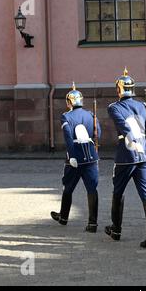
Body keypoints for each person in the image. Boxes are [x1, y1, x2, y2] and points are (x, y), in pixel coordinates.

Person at [105, 68, 146, 250]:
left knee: (118, 192)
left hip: (126, 155)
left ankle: (116, 229)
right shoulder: (144, 106)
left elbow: (124, 126)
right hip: (145, 154)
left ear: (119, 89)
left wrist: (133, 141)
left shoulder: (114, 107)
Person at [51, 83, 101, 233]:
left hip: (75, 157)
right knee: (92, 189)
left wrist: (72, 156)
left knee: (68, 187)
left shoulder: (66, 116)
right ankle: (93, 223)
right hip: (91, 156)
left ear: (69, 102)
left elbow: (68, 137)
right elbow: (98, 133)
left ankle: (64, 217)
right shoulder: (91, 115)